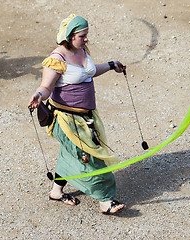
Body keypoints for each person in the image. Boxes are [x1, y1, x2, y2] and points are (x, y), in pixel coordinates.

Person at [28, 14, 126, 215]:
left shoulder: (82, 50)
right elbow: (46, 86)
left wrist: (110, 65)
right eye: (82, 35)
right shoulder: (57, 59)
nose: (87, 39)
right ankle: (105, 200)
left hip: (86, 117)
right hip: (66, 120)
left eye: (86, 34)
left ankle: (56, 191)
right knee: (89, 157)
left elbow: (89, 71)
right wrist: (38, 95)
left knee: (69, 153)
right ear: (70, 36)